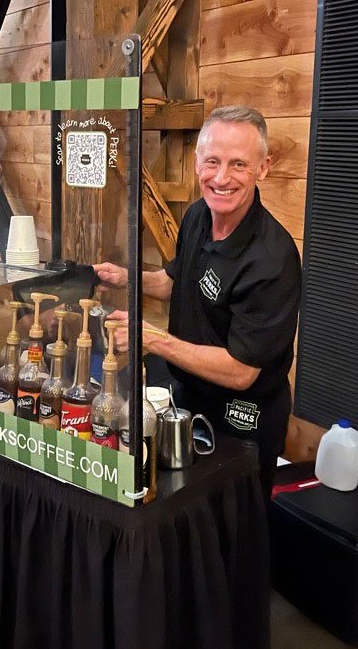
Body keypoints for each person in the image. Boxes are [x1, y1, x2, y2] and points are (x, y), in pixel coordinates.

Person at [96, 106, 301, 498]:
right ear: (196, 163)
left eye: (238, 164)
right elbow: (177, 280)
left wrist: (152, 339)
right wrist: (125, 278)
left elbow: (242, 371)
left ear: (263, 167)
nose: (221, 178)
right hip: (187, 401)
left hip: (242, 423)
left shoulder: (273, 259)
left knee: (231, 538)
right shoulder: (196, 216)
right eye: (212, 162)